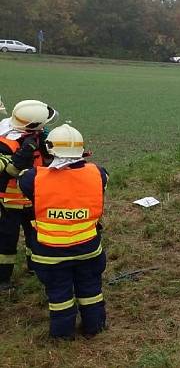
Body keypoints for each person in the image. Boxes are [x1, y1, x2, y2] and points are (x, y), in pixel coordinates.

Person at [17, 124, 108, 339]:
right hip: (88, 249)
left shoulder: (32, 179)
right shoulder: (98, 174)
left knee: (60, 296)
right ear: (81, 150)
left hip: (50, 254)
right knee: (91, 289)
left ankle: (63, 336)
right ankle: (95, 327)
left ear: (50, 150)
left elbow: (22, 181)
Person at [0, 99, 57, 290]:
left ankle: (35, 268)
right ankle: (3, 279)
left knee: (35, 237)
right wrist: (23, 154)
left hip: (33, 199)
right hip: (8, 202)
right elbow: (8, 172)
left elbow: (47, 165)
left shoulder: (37, 140)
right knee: (6, 241)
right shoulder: (4, 142)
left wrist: (49, 149)